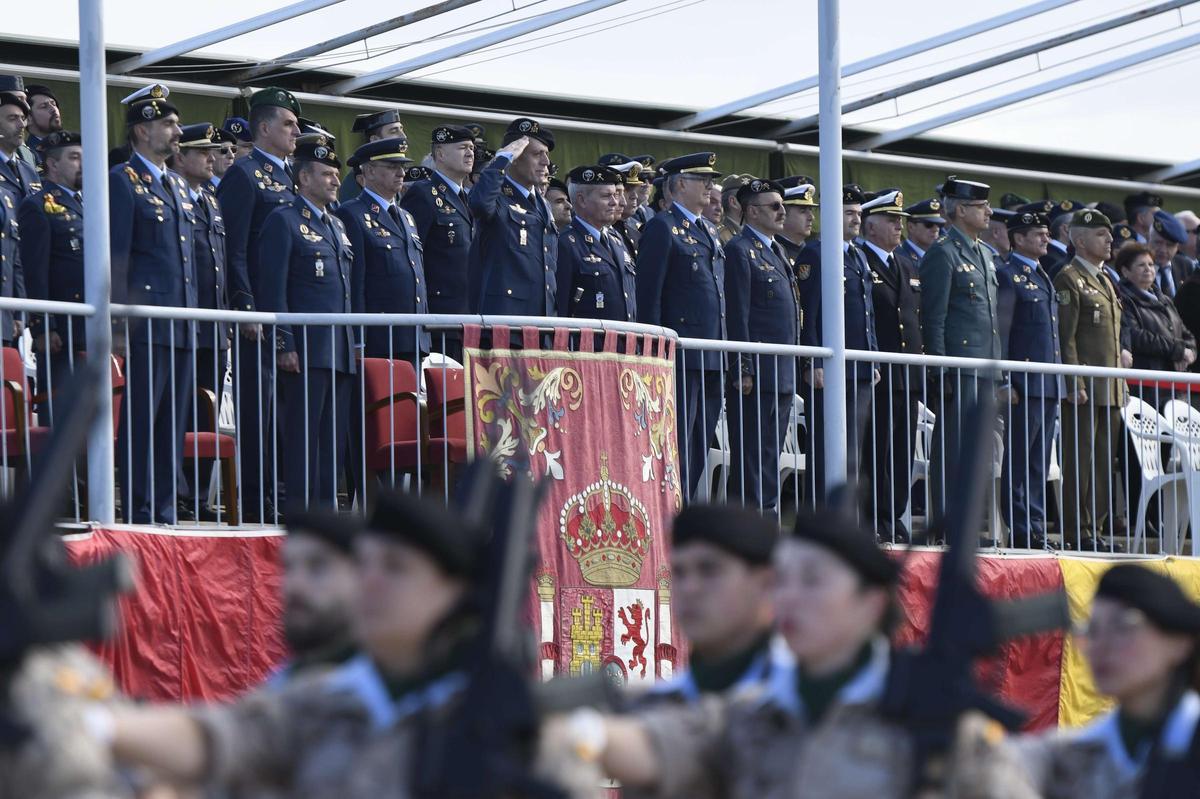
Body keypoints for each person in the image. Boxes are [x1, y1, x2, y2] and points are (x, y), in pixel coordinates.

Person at [572, 498, 1027, 798]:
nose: (788, 597)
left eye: (812, 580)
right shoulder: (749, 715)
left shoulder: (940, 721)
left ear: (870, 603)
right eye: (784, 581)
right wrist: (580, 732)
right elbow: (656, 745)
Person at [97, 490, 505, 797]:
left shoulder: (496, 716)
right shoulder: (328, 697)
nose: (371, 583)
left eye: (395, 568)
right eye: (366, 564)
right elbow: (227, 738)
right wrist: (99, 726)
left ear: (456, 591)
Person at [1017, 565, 1200, 797]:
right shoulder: (1069, 757)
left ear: (1179, 644)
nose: (1101, 646)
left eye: (1124, 626)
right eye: (1092, 631)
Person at [109, 88, 196, 525]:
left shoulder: (177, 185)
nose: (177, 132)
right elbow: (117, 256)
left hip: (180, 322)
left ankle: (165, 509)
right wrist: (119, 327)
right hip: (145, 324)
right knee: (142, 421)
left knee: (172, 424)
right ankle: (141, 507)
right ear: (143, 130)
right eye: (168, 124)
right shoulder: (122, 181)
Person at [257, 136, 356, 510]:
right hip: (306, 348)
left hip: (339, 350)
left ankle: (326, 509)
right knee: (303, 435)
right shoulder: (284, 220)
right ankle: (301, 510)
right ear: (303, 178)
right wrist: (284, 344)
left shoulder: (337, 224)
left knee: (332, 438)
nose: (334, 180)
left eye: (335, 174)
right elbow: (273, 287)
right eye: (326, 174)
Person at [217, 86, 301, 522]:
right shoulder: (244, 174)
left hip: (289, 311)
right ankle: (256, 500)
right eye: (288, 124)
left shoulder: (292, 177)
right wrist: (244, 307)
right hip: (259, 314)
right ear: (264, 127)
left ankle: (283, 495)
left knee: (287, 415)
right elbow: (231, 246)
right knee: (259, 412)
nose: (295, 131)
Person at [636, 152, 727, 499]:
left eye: (710, 179)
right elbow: (650, 293)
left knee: (699, 441)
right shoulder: (663, 225)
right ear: (679, 185)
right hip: (679, 355)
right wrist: (653, 349)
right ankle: (669, 509)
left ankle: (683, 507)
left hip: (711, 353)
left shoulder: (709, 231)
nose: (709, 185)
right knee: (676, 441)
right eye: (701, 179)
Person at [919, 175, 1000, 527]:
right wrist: (940, 370)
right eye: (981, 207)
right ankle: (949, 523)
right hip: (959, 365)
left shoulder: (984, 252)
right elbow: (933, 317)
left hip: (984, 365)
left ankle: (971, 522)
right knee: (953, 448)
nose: (989, 212)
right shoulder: (943, 252)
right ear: (961, 209)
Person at [1055, 209, 1131, 551]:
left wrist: (1122, 382)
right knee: (1080, 460)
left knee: (1103, 461)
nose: (1110, 240)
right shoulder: (1069, 277)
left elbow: (1113, 339)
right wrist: (1074, 381)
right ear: (1081, 240)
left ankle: (1096, 528)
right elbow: (1065, 336)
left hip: (1110, 386)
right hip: (1084, 386)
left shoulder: (1105, 278)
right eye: (1102, 235)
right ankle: (1078, 530)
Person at [797, 185, 880, 502]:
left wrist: (870, 358)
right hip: (829, 369)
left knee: (852, 450)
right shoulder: (816, 253)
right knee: (825, 448)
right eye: (849, 213)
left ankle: (844, 517)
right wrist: (813, 362)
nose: (856, 220)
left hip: (858, 367)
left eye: (859, 213)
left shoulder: (857, 254)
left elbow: (866, 311)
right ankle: (820, 518)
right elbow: (809, 311)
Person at [723, 178, 798, 510]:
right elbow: (737, 316)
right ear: (752, 212)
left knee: (771, 452)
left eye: (782, 205)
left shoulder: (776, 249)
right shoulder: (739, 251)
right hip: (756, 374)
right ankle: (749, 526)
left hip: (781, 372)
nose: (782, 212)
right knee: (752, 455)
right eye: (774, 206)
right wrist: (743, 367)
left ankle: (766, 523)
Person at [995, 210, 1064, 550]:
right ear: (1018, 238)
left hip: (1047, 382)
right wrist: (1006, 379)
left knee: (1038, 461)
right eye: (1037, 233)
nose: (1045, 239)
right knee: (1020, 460)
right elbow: (1003, 332)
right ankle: (1020, 527)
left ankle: (1036, 527)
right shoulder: (1008, 274)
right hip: (1023, 383)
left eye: (1046, 233)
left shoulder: (1043, 275)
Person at [859, 189, 921, 543]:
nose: (899, 226)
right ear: (870, 226)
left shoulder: (905, 264)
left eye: (899, 220)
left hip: (906, 374)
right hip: (880, 370)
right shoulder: (862, 261)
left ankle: (894, 516)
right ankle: (877, 517)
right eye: (891, 220)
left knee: (902, 452)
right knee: (877, 449)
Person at [336, 137, 427, 364]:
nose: (401, 173)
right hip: (379, 338)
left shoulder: (407, 217)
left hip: (413, 336)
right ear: (369, 171)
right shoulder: (352, 213)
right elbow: (355, 282)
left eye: (402, 167)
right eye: (392, 167)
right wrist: (357, 339)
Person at [16, 130, 83, 424]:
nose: (83, 164)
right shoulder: (38, 205)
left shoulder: (91, 203)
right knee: (59, 414)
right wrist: (44, 326)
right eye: (74, 157)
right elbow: (35, 271)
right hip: (62, 329)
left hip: (90, 327)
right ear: (53, 165)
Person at [467, 117, 559, 317]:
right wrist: (502, 159)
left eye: (546, 155)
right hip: (505, 320)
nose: (546, 162)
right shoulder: (497, 195)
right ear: (515, 158)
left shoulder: (542, 204)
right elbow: (479, 204)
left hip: (542, 321)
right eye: (537, 154)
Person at [400, 124, 475, 360]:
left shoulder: (470, 198)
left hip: (470, 319)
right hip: (441, 317)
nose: (470, 153)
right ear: (440, 154)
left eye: (472, 148)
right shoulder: (423, 194)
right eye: (463, 147)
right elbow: (412, 254)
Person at [272, 508, 361, 685]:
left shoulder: (380, 691)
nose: (294, 585)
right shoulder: (284, 678)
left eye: (317, 567)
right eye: (288, 567)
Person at [555, 164, 635, 322]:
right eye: (606, 196)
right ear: (582, 200)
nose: (614, 202)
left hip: (624, 341)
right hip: (587, 344)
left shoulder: (617, 240)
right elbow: (561, 306)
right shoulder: (565, 243)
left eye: (615, 195)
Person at [1116, 242, 1197, 376]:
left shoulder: (1164, 299)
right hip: (1148, 381)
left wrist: (1189, 353)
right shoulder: (1123, 299)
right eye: (1141, 265)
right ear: (1125, 271)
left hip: (1176, 379)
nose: (1148, 269)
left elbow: (1186, 333)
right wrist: (1177, 351)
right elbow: (1136, 336)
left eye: (1151, 264)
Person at [0, 90, 35, 345]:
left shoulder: (28, 170)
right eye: (13, 118)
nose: (21, 124)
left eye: (23, 118)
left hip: (22, 279)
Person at [337, 109, 405, 202]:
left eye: (401, 129)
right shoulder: (359, 175)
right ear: (375, 139)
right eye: (394, 131)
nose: (403, 136)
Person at [895, 197, 944, 274]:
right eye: (929, 224)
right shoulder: (898, 257)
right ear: (911, 227)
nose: (935, 229)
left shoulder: (941, 256)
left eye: (938, 224)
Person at [776, 180, 817, 265]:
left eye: (810, 210)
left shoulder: (813, 252)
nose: (811, 217)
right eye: (803, 211)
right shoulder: (774, 252)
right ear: (783, 214)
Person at [1149, 210, 1187, 299]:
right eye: (1158, 243)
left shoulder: (1185, 265)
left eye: (1170, 245)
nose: (1163, 250)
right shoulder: (1137, 266)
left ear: (1177, 247)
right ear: (1149, 240)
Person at [21, 84, 62, 169]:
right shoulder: (27, 156)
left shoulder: (74, 146)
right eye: (44, 106)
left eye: (53, 104)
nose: (53, 109)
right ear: (28, 119)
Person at [716, 173, 750, 244]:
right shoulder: (719, 235)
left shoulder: (752, 232)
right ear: (733, 202)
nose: (757, 204)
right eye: (750, 199)